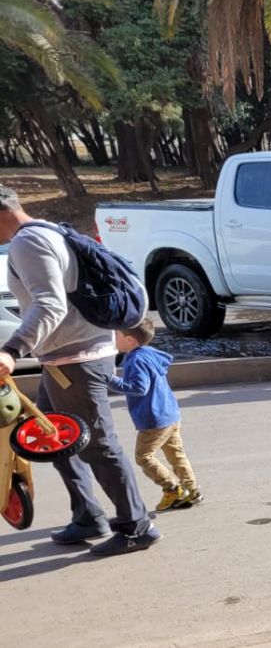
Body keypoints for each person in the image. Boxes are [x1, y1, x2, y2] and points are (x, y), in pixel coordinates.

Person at [0, 184, 160, 556]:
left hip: (77, 359)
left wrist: (12, 350)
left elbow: (50, 304)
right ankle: (88, 515)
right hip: (66, 356)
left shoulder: (28, 243)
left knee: (100, 444)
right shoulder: (47, 230)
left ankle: (137, 527)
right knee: (55, 438)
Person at [110, 316, 203, 511]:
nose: (113, 337)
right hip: (170, 414)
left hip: (154, 419)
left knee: (143, 457)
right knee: (176, 454)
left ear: (130, 340)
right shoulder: (150, 354)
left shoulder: (135, 360)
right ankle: (192, 489)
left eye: (116, 334)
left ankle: (172, 489)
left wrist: (110, 380)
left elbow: (139, 388)